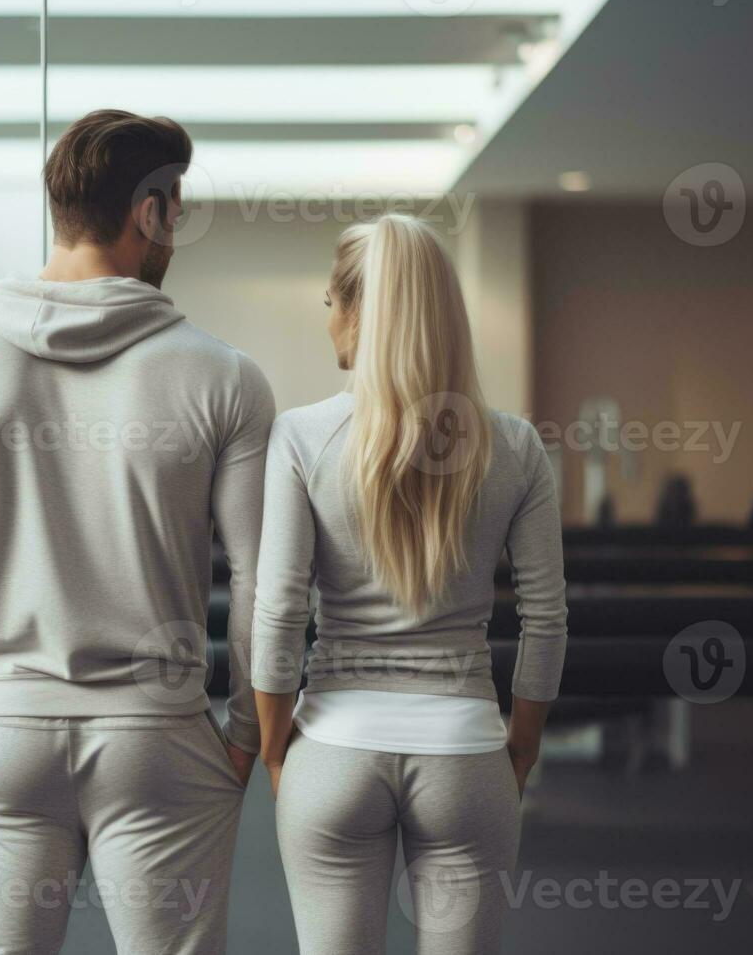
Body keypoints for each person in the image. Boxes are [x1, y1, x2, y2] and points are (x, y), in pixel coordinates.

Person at [0, 109, 274, 954]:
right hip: (159, 739)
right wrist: (245, 734)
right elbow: (269, 579)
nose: (174, 230)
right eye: (176, 210)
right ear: (150, 211)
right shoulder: (224, 376)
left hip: (4, 733)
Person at [252, 214, 567, 955]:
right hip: (466, 753)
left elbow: (277, 610)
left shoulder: (301, 436)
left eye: (332, 303)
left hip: (332, 748)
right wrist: (520, 745)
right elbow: (546, 620)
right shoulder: (515, 444)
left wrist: (274, 749)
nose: (329, 320)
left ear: (359, 310)